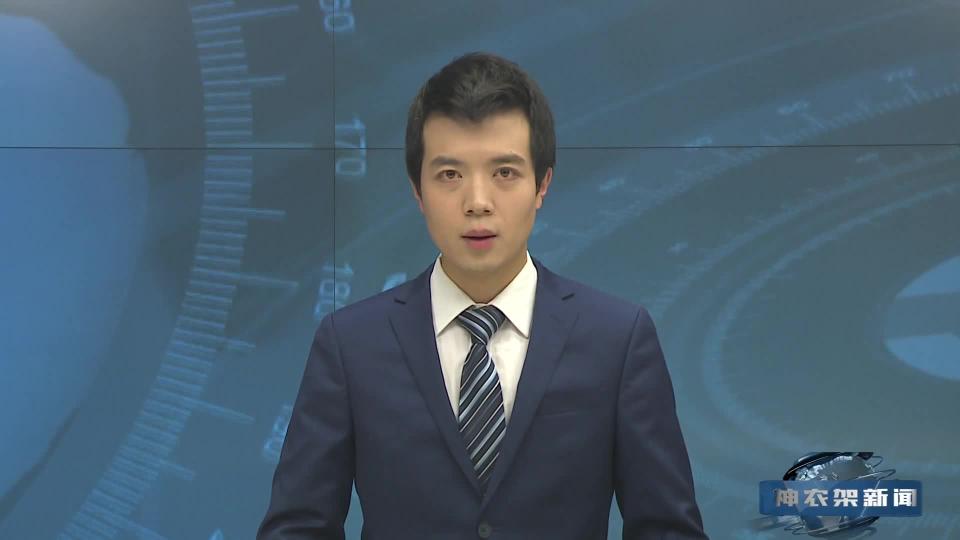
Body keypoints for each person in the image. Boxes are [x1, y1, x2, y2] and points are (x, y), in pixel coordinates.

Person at [257, 51, 707, 540]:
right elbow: (298, 528)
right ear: (417, 190)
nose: (477, 202)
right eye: (450, 175)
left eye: (505, 173)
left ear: (543, 184)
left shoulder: (617, 339)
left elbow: (668, 530)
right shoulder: (351, 345)